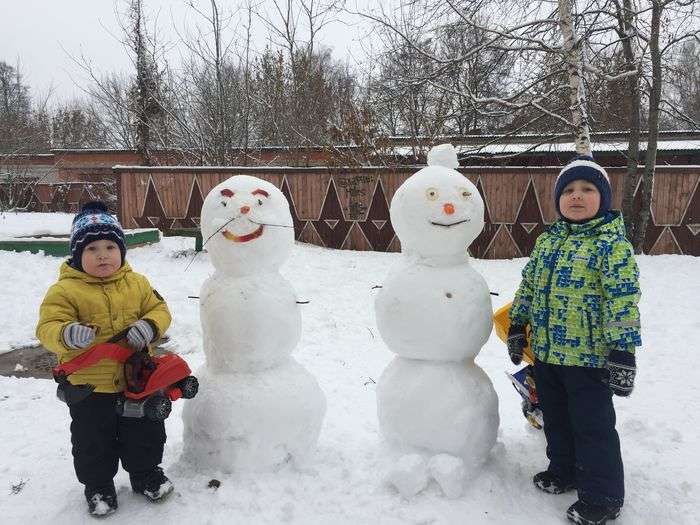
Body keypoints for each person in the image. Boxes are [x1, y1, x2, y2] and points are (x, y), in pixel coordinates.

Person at [507, 156, 642, 525]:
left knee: (593, 428)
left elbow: (624, 303)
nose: (576, 196)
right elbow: (529, 287)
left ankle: (603, 497)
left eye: (587, 189)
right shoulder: (547, 242)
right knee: (557, 420)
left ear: (604, 198)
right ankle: (563, 471)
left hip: (590, 361)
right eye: (568, 190)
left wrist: (623, 352)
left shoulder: (612, 246)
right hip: (549, 356)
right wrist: (518, 324)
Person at [36, 201, 173, 517]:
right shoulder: (65, 291)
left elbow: (160, 310)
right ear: (77, 254)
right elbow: (47, 326)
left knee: (146, 433)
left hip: (137, 381)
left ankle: (146, 474)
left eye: (110, 246)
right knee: (92, 441)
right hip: (89, 387)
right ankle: (98, 486)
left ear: (121, 251)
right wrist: (66, 332)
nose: (102, 254)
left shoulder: (137, 284)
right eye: (92, 248)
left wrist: (150, 325)